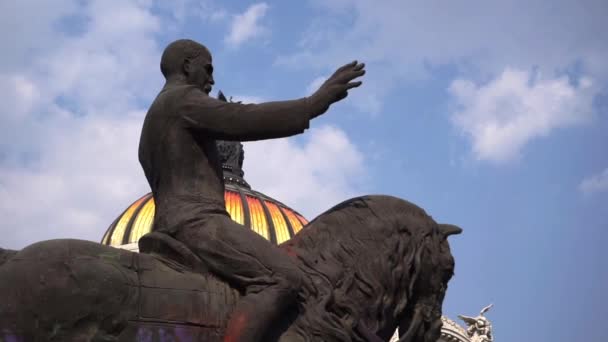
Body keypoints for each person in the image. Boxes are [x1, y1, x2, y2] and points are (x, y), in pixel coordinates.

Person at [137, 39, 365, 342]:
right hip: (196, 223)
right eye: (207, 68)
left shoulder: (155, 116)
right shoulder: (182, 101)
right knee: (283, 278)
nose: (212, 79)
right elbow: (241, 119)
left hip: (167, 224)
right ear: (187, 65)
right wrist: (314, 103)